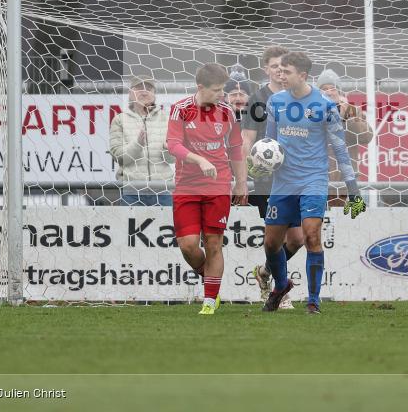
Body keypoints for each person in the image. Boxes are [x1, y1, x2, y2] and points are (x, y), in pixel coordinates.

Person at [260, 52, 366, 314]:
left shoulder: (325, 105)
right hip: (283, 182)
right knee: (271, 244)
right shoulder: (275, 102)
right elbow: (269, 144)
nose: (281, 76)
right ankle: (280, 286)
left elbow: (340, 148)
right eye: (279, 71)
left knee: (311, 236)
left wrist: (353, 189)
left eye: (287, 72)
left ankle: (313, 301)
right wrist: (260, 163)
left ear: (303, 75)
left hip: (314, 180)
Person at [166, 64, 248, 315]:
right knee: (188, 246)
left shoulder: (228, 112)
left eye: (223, 90)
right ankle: (210, 281)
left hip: (219, 185)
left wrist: (241, 183)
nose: (222, 95)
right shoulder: (181, 109)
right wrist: (199, 160)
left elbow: (236, 149)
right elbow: (173, 144)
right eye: (216, 90)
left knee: (213, 243)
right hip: (187, 186)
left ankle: (210, 301)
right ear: (200, 87)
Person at [241, 46, 301, 308]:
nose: (279, 70)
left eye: (283, 67)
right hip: (268, 180)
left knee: (297, 239)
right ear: (265, 68)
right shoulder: (257, 99)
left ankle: (264, 272)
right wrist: (247, 174)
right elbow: (247, 139)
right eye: (274, 66)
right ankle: (281, 291)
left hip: (296, 177)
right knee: (277, 238)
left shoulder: (298, 98)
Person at [109, 75, 174, 206]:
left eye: (148, 89)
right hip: (131, 192)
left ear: (154, 95)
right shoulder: (120, 120)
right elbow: (118, 157)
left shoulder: (167, 119)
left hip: (163, 191)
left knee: (167, 221)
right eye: (139, 88)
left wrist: (168, 149)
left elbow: (172, 159)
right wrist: (137, 144)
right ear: (130, 93)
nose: (144, 92)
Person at [316, 68, 374, 207]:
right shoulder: (312, 112)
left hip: (345, 183)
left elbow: (366, 136)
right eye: (324, 89)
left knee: (344, 217)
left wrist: (346, 113)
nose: (329, 92)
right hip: (317, 179)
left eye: (333, 88)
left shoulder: (351, 110)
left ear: (340, 91)